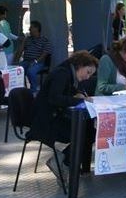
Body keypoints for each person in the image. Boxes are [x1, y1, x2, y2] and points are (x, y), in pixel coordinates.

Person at [29, 51, 98, 184]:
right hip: (45, 122)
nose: (88, 77)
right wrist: (79, 101)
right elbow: (55, 98)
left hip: (52, 116)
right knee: (84, 132)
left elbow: (65, 92)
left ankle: (63, 161)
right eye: (88, 72)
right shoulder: (62, 73)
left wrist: (77, 94)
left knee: (89, 131)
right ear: (80, 65)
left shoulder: (67, 71)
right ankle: (63, 162)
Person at [18, 21, 52, 93]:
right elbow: (20, 50)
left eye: (31, 27)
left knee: (31, 71)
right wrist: (23, 42)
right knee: (17, 69)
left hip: (38, 62)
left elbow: (45, 53)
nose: (29, 29)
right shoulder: (28, 39)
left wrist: (35, 61)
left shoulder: (44, 40)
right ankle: (22, 88)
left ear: (36, 28)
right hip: (26, 61)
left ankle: (34, 89)